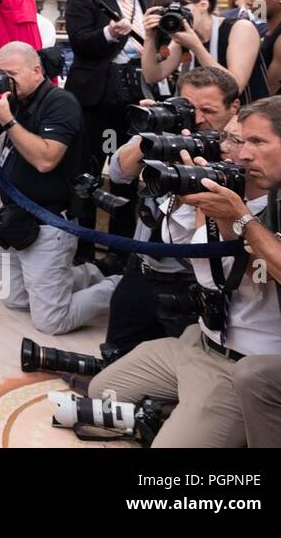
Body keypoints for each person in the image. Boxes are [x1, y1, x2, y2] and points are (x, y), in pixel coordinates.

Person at [88, 93, 281, 447]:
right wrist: (197, 204)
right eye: (235, 140)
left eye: (252, 141)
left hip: (245, 361)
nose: (237, 152)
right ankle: (188, 412)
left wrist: (234, 216)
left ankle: (209, 420)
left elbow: (247, 273)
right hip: (201, 342)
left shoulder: (263, 198)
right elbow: (223, 265)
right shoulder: (278, 195)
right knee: (102, 392)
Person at [0, 42, 117, 335]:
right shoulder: (15, 99)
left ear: (37, 70)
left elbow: (45, 160)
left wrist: (7, 120)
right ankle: (77, 276)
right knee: (13, 300)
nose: (6, 79)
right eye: (1, 73)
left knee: (50, 322)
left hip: (49, 220)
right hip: (13, 217)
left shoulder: (60, 102)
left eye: (12, 73)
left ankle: (115, 285)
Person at [102, 67, 243, 358]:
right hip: (141, 266)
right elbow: (119, 172)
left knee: (184, 368)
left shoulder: (241, 150)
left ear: (235, 107)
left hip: (191, 282)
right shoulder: (164, 131)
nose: (199, 118)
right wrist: (151, 132)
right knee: (118, 353)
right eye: (189, 108)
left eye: (208, 109)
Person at [64, 0, 155, 259]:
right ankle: (83, 249)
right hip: (95, 97)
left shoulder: (148, 1)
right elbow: (79, 43)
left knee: (126, 174)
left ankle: (120, 249)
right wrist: (110, 34)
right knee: (87, 172)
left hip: (135, 97)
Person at [141, 0, 264, 101]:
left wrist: (196, 47)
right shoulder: (184, 36)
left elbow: (235, 87)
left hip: (243, 115)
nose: (175, 15)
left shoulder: (240, 28)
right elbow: (153, 76)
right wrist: (149, 37)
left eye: (181, 9)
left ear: (203, 5)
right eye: (167, 11)